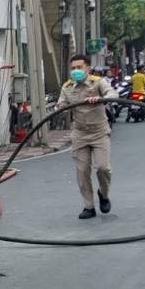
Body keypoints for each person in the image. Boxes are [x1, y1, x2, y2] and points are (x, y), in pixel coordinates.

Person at [54, 53, 115, 219]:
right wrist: (60, 108)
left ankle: (104, 194)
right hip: (80, 134)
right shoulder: (67, 87)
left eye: (79, 67)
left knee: (103, 168)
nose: (76, 71)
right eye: (73, 68)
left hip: (100, 132)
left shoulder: (98, 82)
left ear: (87, 68)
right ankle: (89, 206)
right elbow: (60, 105)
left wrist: (100, 98)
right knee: (82, 171)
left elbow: (112, 94)